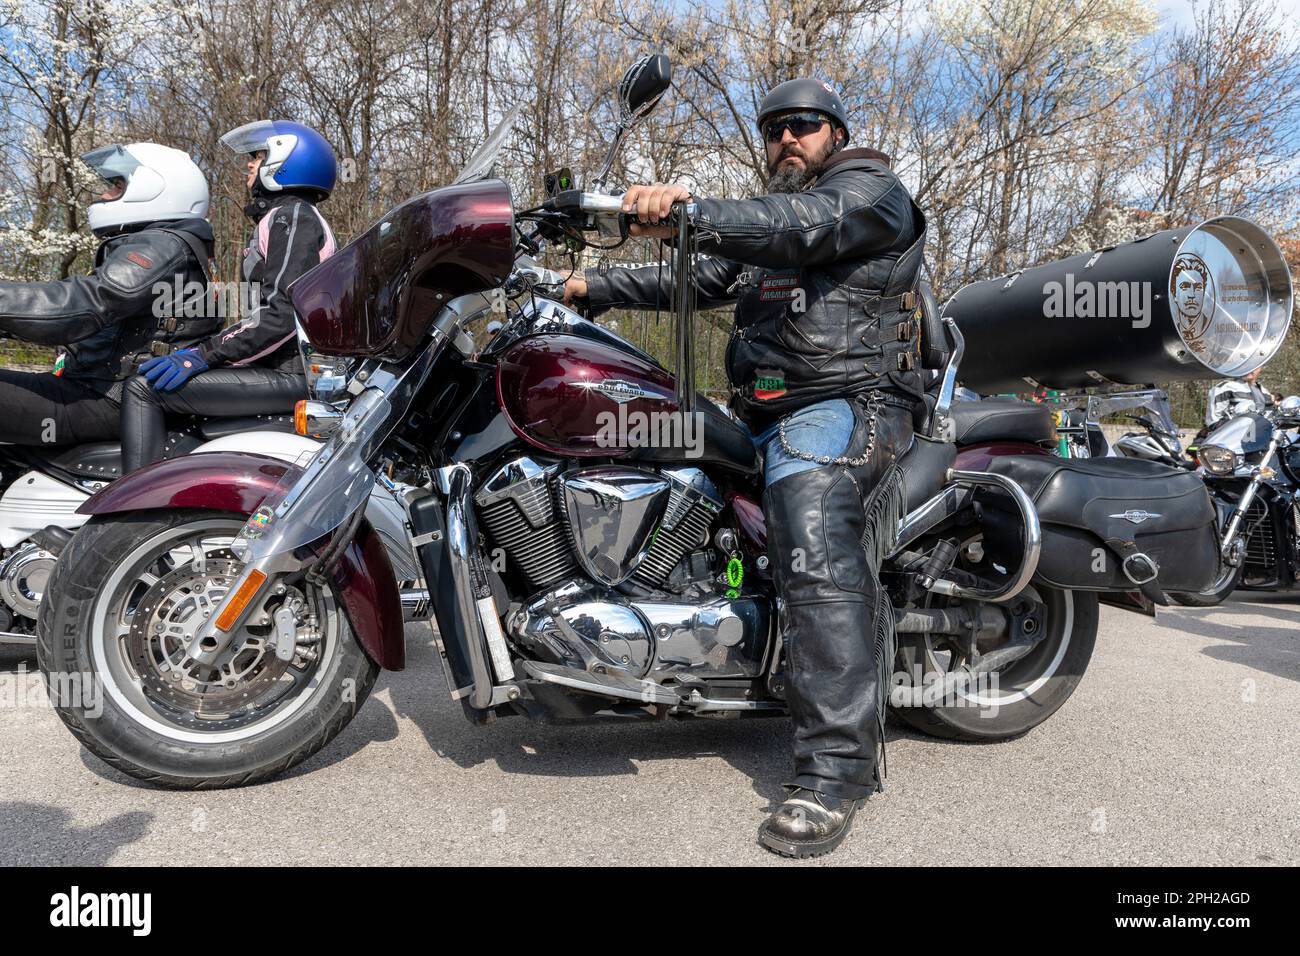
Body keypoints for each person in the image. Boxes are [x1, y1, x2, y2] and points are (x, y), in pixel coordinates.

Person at [565, 78, 926, 858]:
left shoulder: (871, 193)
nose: (785, 139)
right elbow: (693, 281)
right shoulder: (769, 244)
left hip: (848, 402)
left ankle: (836, 769)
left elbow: (802, 225)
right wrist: (582, 287)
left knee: (809, 505)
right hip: (760, 406)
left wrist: (690, 210)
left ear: (834, 132)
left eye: (802, 126)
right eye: (773, 130)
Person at [119, 120, 338, 472]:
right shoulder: (282, 218)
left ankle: (126, 514)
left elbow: (280, 314)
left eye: (258, 156)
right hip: (278, 367)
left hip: (290, 373)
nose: (249, 164)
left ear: (286, 161)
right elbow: (254, 308)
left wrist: (204, 355)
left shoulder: (292, 216)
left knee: (143, 388)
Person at [0, 143, 215, 446]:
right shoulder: (162, 242)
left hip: (104, 399)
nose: (103, 196)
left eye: (116, 186)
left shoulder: (163, 245)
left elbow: (87, 302)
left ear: (156, 188)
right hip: (97, 390)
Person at [1206, 368, 1273, 427]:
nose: (1249, 369)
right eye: (1247, 365)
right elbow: (1214, 420)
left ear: (1259, 368)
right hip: (1232, 436)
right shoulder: (1226, 387)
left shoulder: (1265, 392)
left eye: (1254, 366)